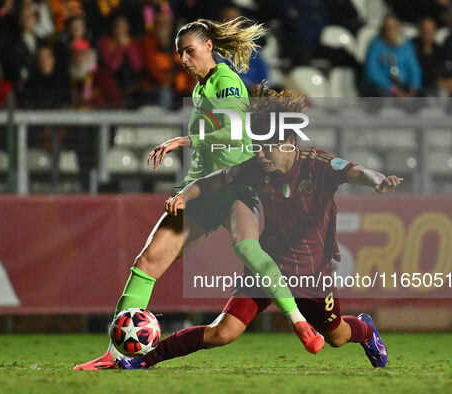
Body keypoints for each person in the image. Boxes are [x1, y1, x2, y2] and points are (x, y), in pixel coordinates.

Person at [74, 17, 323, 371]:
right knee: (147, 264)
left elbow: (236, 133)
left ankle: (299, 322)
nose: (184, 60)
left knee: (246, 247)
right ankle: (117, 355)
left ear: (209, 47)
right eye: (180, 54)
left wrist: (185, 139)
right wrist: (185, 192)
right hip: (206, 190)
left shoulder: (226, 83)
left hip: (238, 184)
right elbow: (207, 158)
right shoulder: (200, 88)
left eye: (190, 51)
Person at [118, 85, 402, 370]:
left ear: (290, 141)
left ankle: (365, 329)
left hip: (312, 273)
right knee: (222, 333)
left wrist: (378, 181)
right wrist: (182, 196)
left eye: (268, 146)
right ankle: (146, 359)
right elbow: (209, 181)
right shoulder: (255, 169)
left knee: (338, 337)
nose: (261, 154)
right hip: (268, 267)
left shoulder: (317, 164)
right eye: (257, 145)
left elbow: (356, 171)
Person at [364, 15, 422, 97]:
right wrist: (395, 90)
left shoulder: (407, 45)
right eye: (388, 28)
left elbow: (414, 69)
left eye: (394, 27)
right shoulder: (375, 45)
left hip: (404, 84)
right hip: (385, 86)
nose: (391, 31)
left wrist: (413, 88)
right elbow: (373, 73)